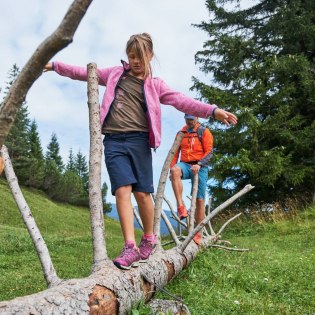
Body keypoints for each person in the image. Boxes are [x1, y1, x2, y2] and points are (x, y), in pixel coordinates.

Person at [43, 33, 237, 269]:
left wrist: (212, 110)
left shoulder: (155, 85)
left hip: (140, 142)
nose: (135, 61)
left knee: (142, 194)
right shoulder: (115, 74)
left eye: (141, 56)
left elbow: (181, 101)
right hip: (114, 141)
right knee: (121, 190)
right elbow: (85, 73)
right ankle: (129, 247)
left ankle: (148, 240)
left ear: (150, 56)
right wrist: (55, 66)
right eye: (132, 56)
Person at [170, 114, 213, 246]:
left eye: (192, 119)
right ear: (184, 118)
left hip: (201, 167)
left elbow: (210, 151)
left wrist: (199, 164)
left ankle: (198, 233)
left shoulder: (204, 132)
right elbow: (175, 152)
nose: (189, 122)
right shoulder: (181, 133)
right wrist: (171, 168)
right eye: (187, 119)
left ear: (197, 119)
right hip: (185, 165)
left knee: (200, 200)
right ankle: (181, 206)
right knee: (175, 171)